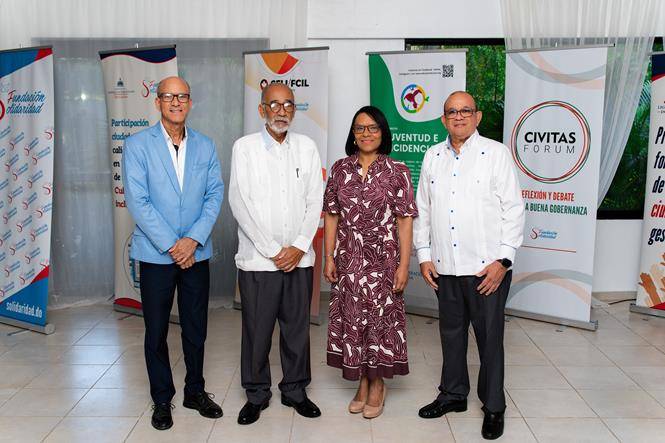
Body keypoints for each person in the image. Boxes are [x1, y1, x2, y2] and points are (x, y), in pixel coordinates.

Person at [413, 91, 524, 440]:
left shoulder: (496, 153)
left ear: (477, 117)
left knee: (489, 339)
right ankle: (453, 394)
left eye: (465, 111)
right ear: (443, 119)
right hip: (445, 267)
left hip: (486, 270)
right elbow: (423, 209)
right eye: (452, 111)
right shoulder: (432, 156)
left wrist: (503, 260)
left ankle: (494, 406)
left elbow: (513, 208)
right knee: (451, 335)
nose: (458, 116)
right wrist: (424, 254)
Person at [122, 76, 225, 430]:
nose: (177, 102)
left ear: (190, 102)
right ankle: (162, 398)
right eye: (169, 96)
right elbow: (138, 201)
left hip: (196, 252)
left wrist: (192, 240)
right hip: (156, 255)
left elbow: (214, 195)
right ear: (158, 102)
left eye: (183, 96)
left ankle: (195, 391)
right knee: (156, 331)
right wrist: (173, 244)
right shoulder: (137, 145)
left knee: (196, 327)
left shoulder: (206, 146)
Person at [229, 83, 323, 425]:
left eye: (288, 105)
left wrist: (298, 245)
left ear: (294, 110)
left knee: (297, 329)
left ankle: (295, 390)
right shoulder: (245, 148)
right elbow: (239, 202)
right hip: (258, 260)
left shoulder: (307, 147)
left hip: (300, 259)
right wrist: (272, 250)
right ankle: (256, 394)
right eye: (274, 105)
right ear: (262, 110)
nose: (282, 111)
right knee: (257, 331)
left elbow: (315, 199)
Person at [323, 105, 418, 419]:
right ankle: (361, 382)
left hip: (384, 260)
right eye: (360, 128)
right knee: (354, 321)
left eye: (373, 128)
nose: (366, 133)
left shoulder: (397, 170)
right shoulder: (340, 169)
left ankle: (377, 384)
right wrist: (328, 256)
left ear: (382, 132)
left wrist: (403, 266)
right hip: (349, 259)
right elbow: (332, 215)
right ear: (353, 133)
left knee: (379, 321)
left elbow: (405, 221)